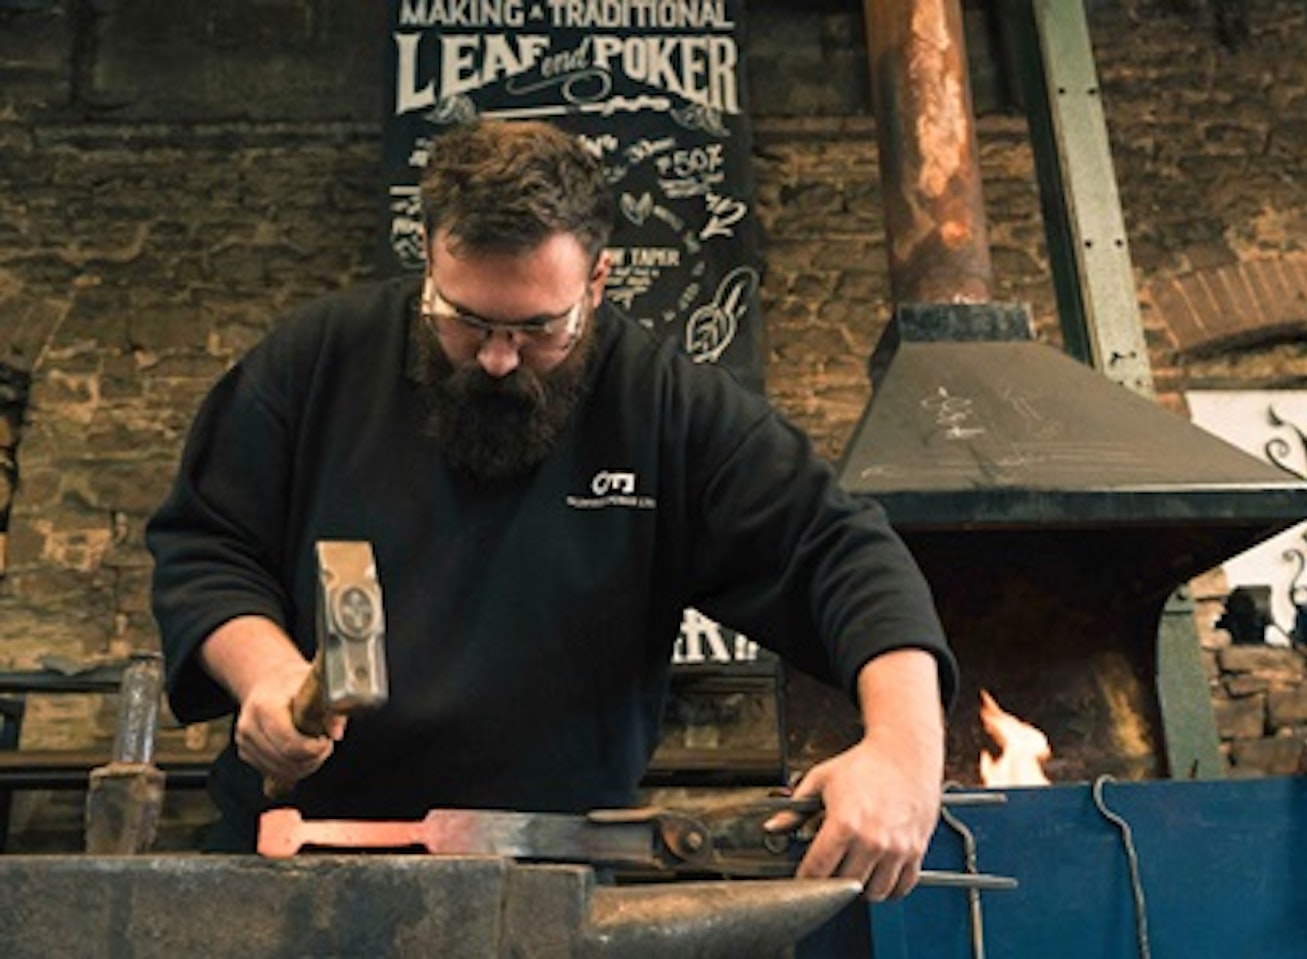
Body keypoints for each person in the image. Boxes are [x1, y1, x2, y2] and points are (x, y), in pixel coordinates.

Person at [146, 118, 958, 901]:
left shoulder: (662, 407)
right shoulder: (317, 361)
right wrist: (266, 673)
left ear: (598, 280)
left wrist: (903, 749)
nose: (499, 358)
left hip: (550, 883)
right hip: (297, 861)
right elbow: (209, 546)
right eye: (466, 320)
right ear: (427, 254)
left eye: (538, 329)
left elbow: (839, 550)